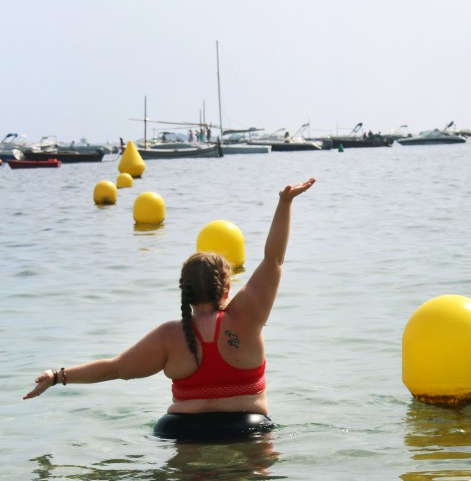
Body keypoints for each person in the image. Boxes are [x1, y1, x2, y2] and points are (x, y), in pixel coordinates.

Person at [23, 178, 317, 441]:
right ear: (226, 289)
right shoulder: (246, 317)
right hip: (247, 431)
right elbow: (273, 259)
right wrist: (284, 203)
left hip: (182, 432)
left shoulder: (169, 336)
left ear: (184, 292)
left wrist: (57, 376)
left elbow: (116, 369)